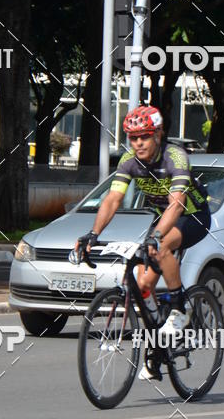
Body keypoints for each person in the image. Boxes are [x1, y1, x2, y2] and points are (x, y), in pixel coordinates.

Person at [74, 104, 211, 381]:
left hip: (192, 216)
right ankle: (157, 346)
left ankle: (179, 309)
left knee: (159, 248)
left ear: (158, 134)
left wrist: (156, 236)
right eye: (133, 138)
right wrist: (94, 234)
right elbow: (112, 199)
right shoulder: (129, 162)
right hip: (163, 218)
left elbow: (177, 204)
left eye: (144, 137)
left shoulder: (176, 157)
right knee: (143, 284)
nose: (138, 143)